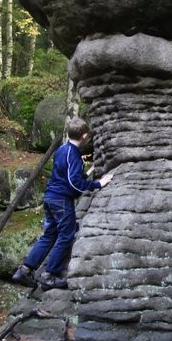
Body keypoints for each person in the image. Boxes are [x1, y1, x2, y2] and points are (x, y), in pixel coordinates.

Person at [12, 116, 113, 291]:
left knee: (50, 234)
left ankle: (25, 270)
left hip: (51, 197)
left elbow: (64, 175)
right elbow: (73, 182)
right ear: (84, 136)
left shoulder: (61, 150)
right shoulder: (73, 153)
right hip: (61, 200)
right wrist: (97, 184)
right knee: (66, 234)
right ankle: (49, 275)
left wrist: (85, 173)